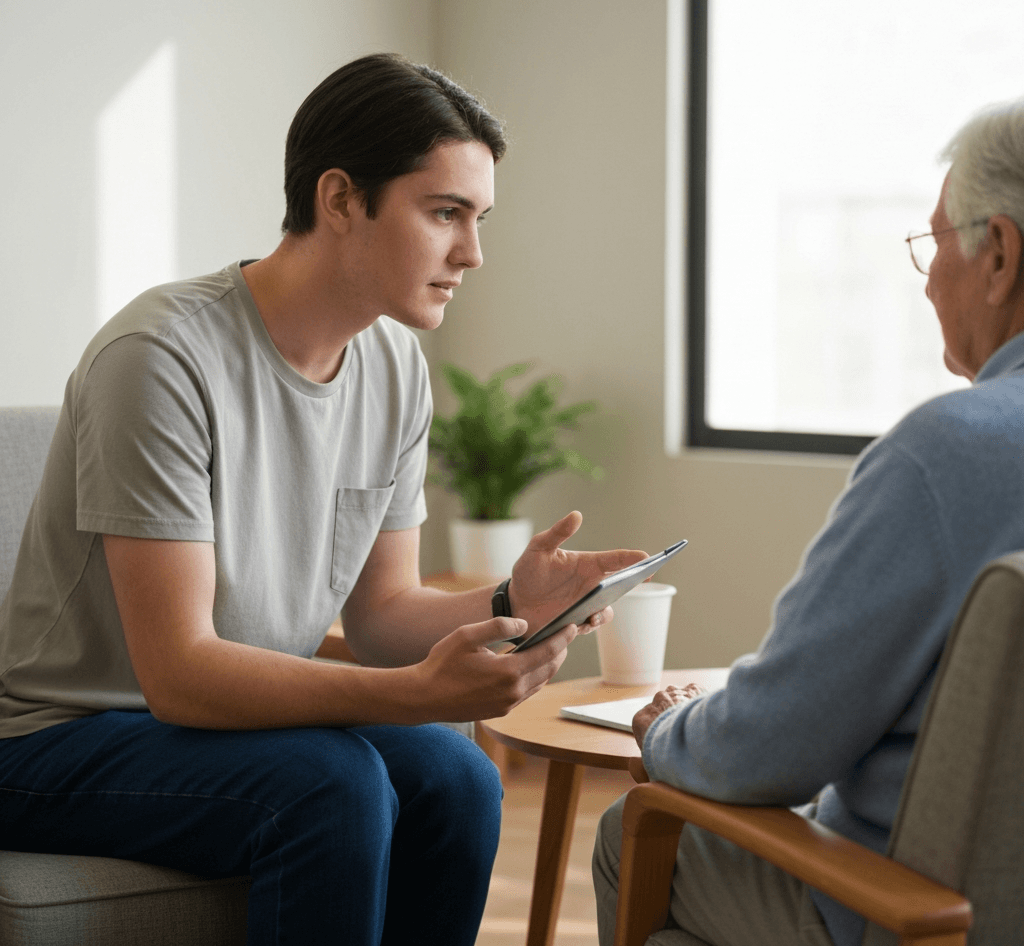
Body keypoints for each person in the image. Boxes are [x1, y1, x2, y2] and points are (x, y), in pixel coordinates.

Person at [0, 52, 645, 946]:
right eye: (445, 213)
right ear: (341, 200)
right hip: (55, 741)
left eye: (479, 217)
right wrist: (415, 693)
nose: (474, 253)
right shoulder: (161, 357)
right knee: (329, 783)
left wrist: (509, 605)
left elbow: (382, 613)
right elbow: (180, 673)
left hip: (229, 729)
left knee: (458, 779)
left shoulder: (393, 368)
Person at [593, 96, 1024, 946]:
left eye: (934, 243)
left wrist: (670, 725)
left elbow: (771, 747)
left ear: (1000, 253)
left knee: (632, 829)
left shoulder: (947, 454)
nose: (930, 278)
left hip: (919, 911)